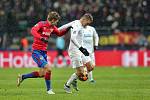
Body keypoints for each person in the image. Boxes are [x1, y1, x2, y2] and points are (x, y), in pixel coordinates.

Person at [17, 11, 72, 94]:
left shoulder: (53, 27)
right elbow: (33, 30)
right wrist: (41, 38)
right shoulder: (41, 24)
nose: (57, 22)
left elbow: (59, 33)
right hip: (36, 52)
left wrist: (67, 29)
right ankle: (49, 90)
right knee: (49, 69)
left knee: (42, 74)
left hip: (43, 52)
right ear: (53, 20)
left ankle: (22, 77)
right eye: (56, 20)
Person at [59, 13, 94, 93]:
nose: (87, 25)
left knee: (90, 67)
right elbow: (73, 38)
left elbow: (65, 26)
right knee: (80, 72)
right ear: (85, 19)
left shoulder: (76, 22)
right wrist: (81, 48)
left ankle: (75, 79)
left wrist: (56, 30)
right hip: (75, 51)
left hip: (81, 50)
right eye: (88, 23)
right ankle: (67, 85)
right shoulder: (77, 26)